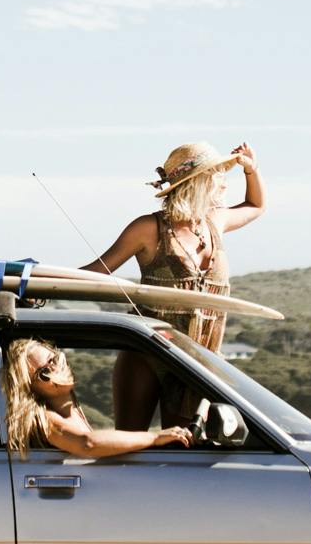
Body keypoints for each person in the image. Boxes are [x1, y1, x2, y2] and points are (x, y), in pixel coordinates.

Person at [79, 140, 266, 428]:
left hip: (198, 358)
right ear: (199, 182)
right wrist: (30, 278)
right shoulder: (148, 228)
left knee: (183, 446)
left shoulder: (215, 222)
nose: (225, 185)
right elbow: (97, 271)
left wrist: (251, 171)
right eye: (219, 177)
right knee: (130, 443)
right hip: (148, 351)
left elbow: (255, 205)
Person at [1, 339, 190, 457]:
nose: (57, 369)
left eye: (54, 359)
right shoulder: (45, 419)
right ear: (29, 389)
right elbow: (87, 444)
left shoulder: (73, 410)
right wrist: (155, 437)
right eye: (44, 372)